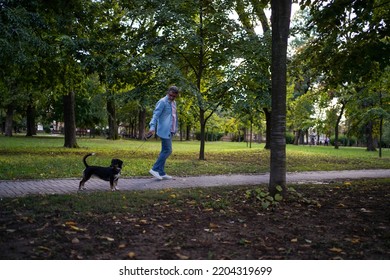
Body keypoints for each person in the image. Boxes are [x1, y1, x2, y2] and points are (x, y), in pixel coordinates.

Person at [148, 86, 179, 180]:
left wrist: (175, 128)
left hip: (171, 130)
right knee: (168, 150)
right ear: (167, 93)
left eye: (174, 96)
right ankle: (154, 169)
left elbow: (173, 117)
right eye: (170, 95)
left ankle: (161, 173)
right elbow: (155, 115)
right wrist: (152, 127)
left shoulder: (174, 103)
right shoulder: (162, 102)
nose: (172, 97)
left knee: (164, 150)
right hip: (164, 130)